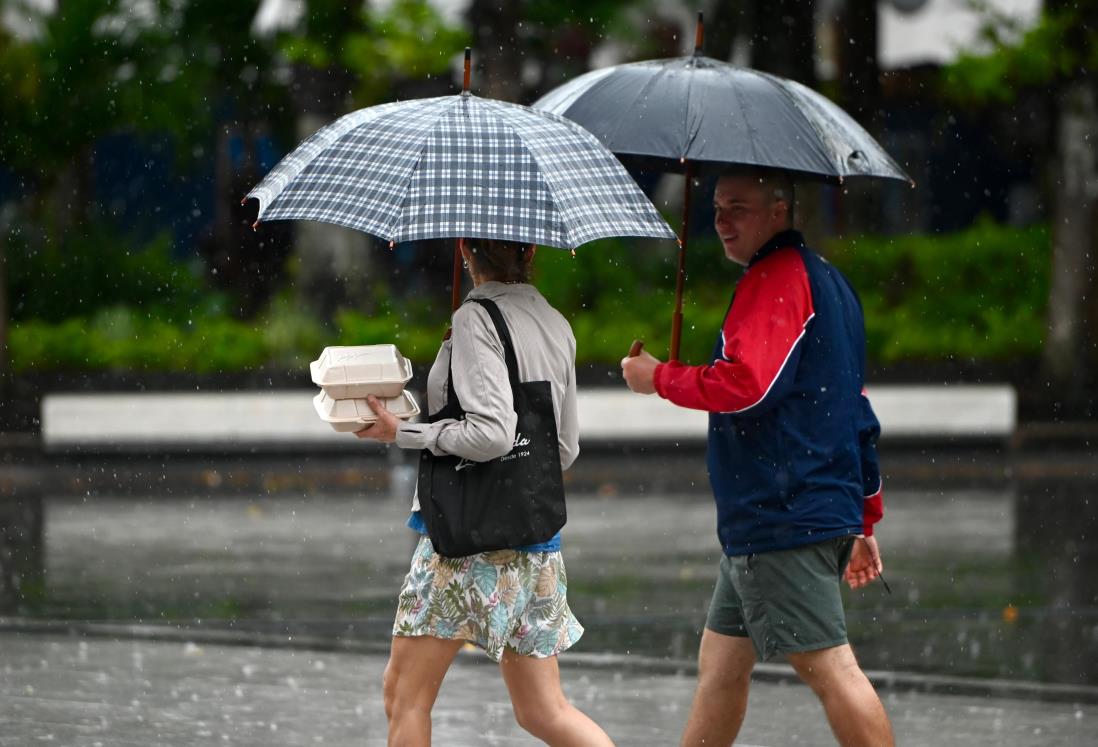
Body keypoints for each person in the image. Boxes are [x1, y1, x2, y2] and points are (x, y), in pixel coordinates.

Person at [621, 168, 894, 747]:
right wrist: (863, 514)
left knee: (834, 674)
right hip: (785, 513)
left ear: (779, 211)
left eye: (738, 207)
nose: (721, 220)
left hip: (782, 514)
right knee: (721, 670)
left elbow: (748, 385)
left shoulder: (775, 279)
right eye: (717, 207)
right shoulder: (829, 283)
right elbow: (855, 409)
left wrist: (659, 378)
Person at [357, 237, 614, 747]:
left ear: (464, 251)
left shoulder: (476, 320)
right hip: (535, 544)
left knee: (404, 696)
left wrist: (405, 433)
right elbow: (563, 448)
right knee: (545, 711)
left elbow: (491, 433)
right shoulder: (556, 323)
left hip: (466, 543)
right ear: (532, 254)